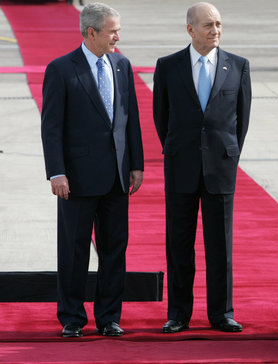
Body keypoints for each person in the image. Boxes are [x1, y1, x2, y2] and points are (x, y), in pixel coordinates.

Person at [41, 2, 144, 338]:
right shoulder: (61, 69)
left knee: (115, 249)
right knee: (73, 251)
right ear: (91, 32)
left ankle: (109, 317)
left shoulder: (121, 65)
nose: (118, 36)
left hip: (116, 177)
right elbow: (52, 127)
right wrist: (56, 172)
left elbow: (130, 120)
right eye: (112, 31)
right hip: (77, 180)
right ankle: (72, 317)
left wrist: (136, 165)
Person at [153, 2, 251, 333]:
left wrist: (227, 153)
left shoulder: (238, 66)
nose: (216, 30)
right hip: (181, 166)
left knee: (220, 246)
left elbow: (241, 119)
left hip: (220, 168)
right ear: (190, 30)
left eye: (219, 24)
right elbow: (161, 117)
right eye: (208, 25)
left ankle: (221, 313)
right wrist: (178, 149)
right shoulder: (168, 66)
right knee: (179, 244)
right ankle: (178, 314)